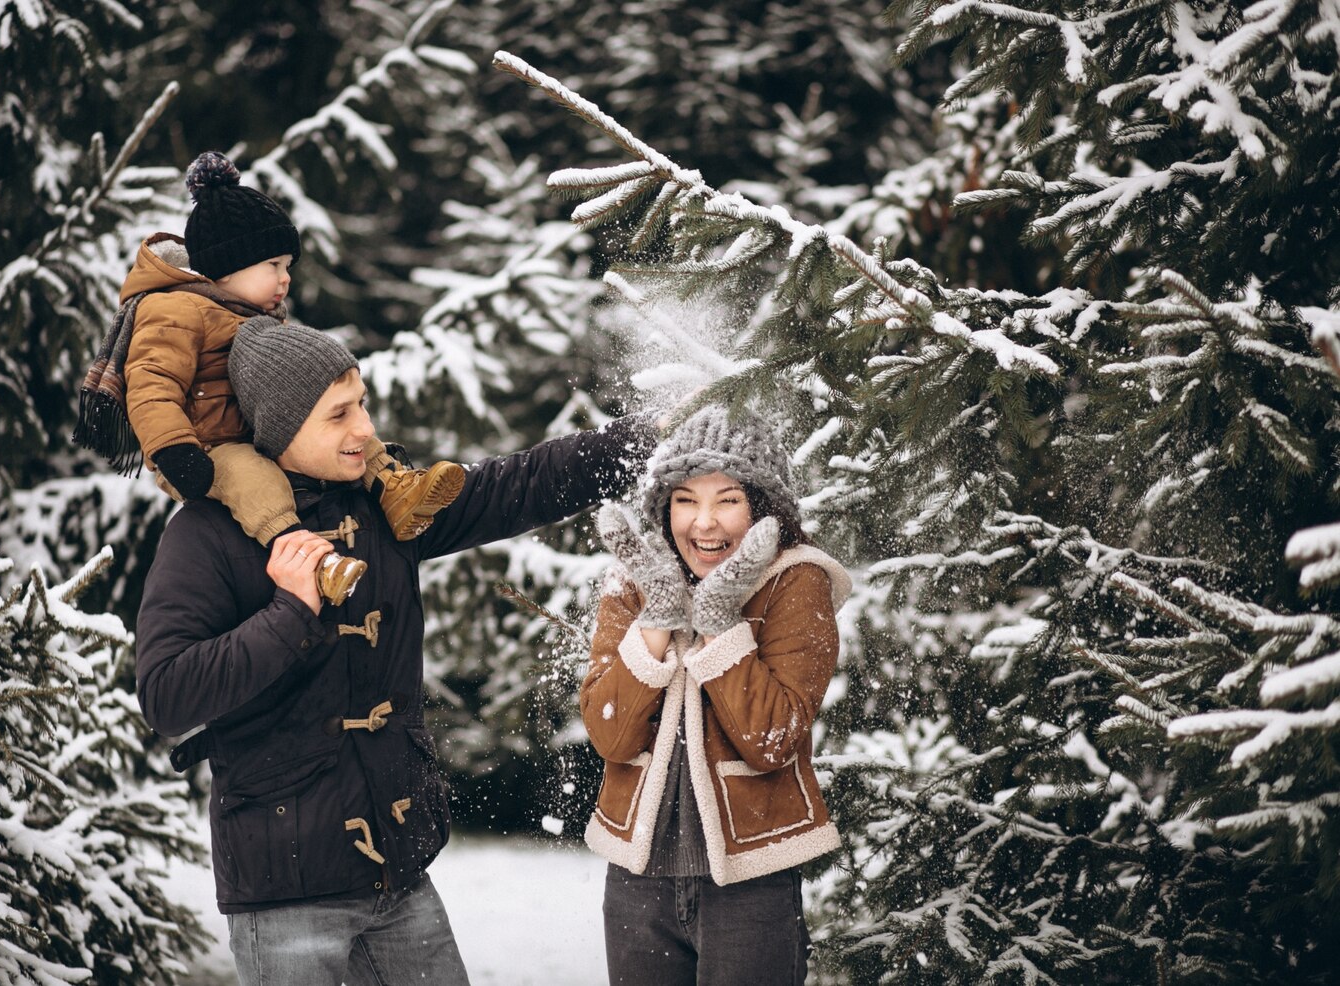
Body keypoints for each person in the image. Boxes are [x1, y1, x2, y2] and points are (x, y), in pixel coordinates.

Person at [134, 316, 657, 985]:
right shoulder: (205, 534)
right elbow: (168, 693)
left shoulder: (388, 505)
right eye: (339, 415)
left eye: (364, 404)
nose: (366, 430)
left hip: (398, 876)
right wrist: (290, 611)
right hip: (286, 892)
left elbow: (515, 485)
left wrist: (643, 442)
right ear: (280, 427)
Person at [78, 150, 463, 607]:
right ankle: (309, 558)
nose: (285, 280)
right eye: (273, 266)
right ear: (229, 265)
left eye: (288, 268)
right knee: (255, 478)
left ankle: (394, 490)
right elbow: (152, 386)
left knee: (346, 424)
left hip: (257, 429)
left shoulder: (251, 314)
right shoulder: (174, 309)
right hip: (205, 449)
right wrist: (175, 449)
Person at [580, 405, 852, 986]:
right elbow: (610, 734)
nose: (704, 523)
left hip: (750, 887)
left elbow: (771, 740)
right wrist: (657, 614)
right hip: (637, 882)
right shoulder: (637, 582)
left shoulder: (796, 582)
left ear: (762, 506)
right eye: (685, 499)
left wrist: (719, 622)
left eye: (727, 499)